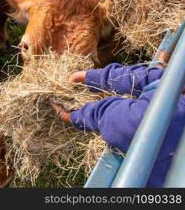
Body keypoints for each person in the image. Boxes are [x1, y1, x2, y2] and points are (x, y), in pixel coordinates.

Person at [50, 55, 185, 187]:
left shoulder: (174, 116)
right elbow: (158, 78)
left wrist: (78, 115)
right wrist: (97, 77)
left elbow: (131, 123)